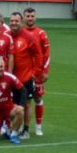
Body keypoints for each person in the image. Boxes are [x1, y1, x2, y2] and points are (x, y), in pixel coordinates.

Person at [8, 12, 42, 139]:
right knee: (11, 104)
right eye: (11, 21)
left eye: (16, 21)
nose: (14, 23)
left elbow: (38, 54)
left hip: (25, 78)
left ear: (21, 22)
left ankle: (26, 130)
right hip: (10, 78)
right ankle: (13, 127)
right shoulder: (7, 36)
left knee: (27, 104)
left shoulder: (28, 37)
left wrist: (36, 73)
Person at [23, 7, 50, 136]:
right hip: (24, 73)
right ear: (23, 18)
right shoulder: (20, 32)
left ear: (35, 17)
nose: (30, 18)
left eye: (32, 16)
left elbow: (46, 54)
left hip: (38, 73)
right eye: (27, 16)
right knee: (23, 100)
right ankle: (21, 126)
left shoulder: (41, 33)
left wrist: (45, 71)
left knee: (38, 98)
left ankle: (38, 126)